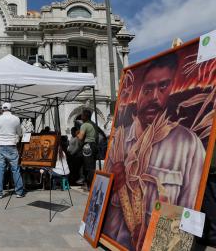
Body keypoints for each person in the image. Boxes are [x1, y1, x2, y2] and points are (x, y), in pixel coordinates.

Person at [102, 54, 206, 251]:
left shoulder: (188, 145)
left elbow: (187, 215)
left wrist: (154, 235)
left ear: (172, 91)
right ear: (138, 93)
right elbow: (106, 211)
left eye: (163, 87)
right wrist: (112, 188)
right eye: (147, 89)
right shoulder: (119, 141)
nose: (154, 97)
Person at [0, 102, 24, 199]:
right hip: (12, 146)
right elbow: (20, 133)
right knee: (15, 169)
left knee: (0, 169)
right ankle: (19, 192)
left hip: (1, 146)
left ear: (2, 109)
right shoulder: (16, 119)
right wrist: (16, 138)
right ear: (11, 109)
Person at [77, 109, 97, 190]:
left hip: (88, 145)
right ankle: (89, 184)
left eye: (82, 115)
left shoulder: (84, 125)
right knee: (91, 166)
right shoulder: (93, 124)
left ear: (85, 116)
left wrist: (77, 133)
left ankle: (89, 185)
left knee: (88, 167)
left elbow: (81, 137)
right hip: (94, 145)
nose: (81, 117)